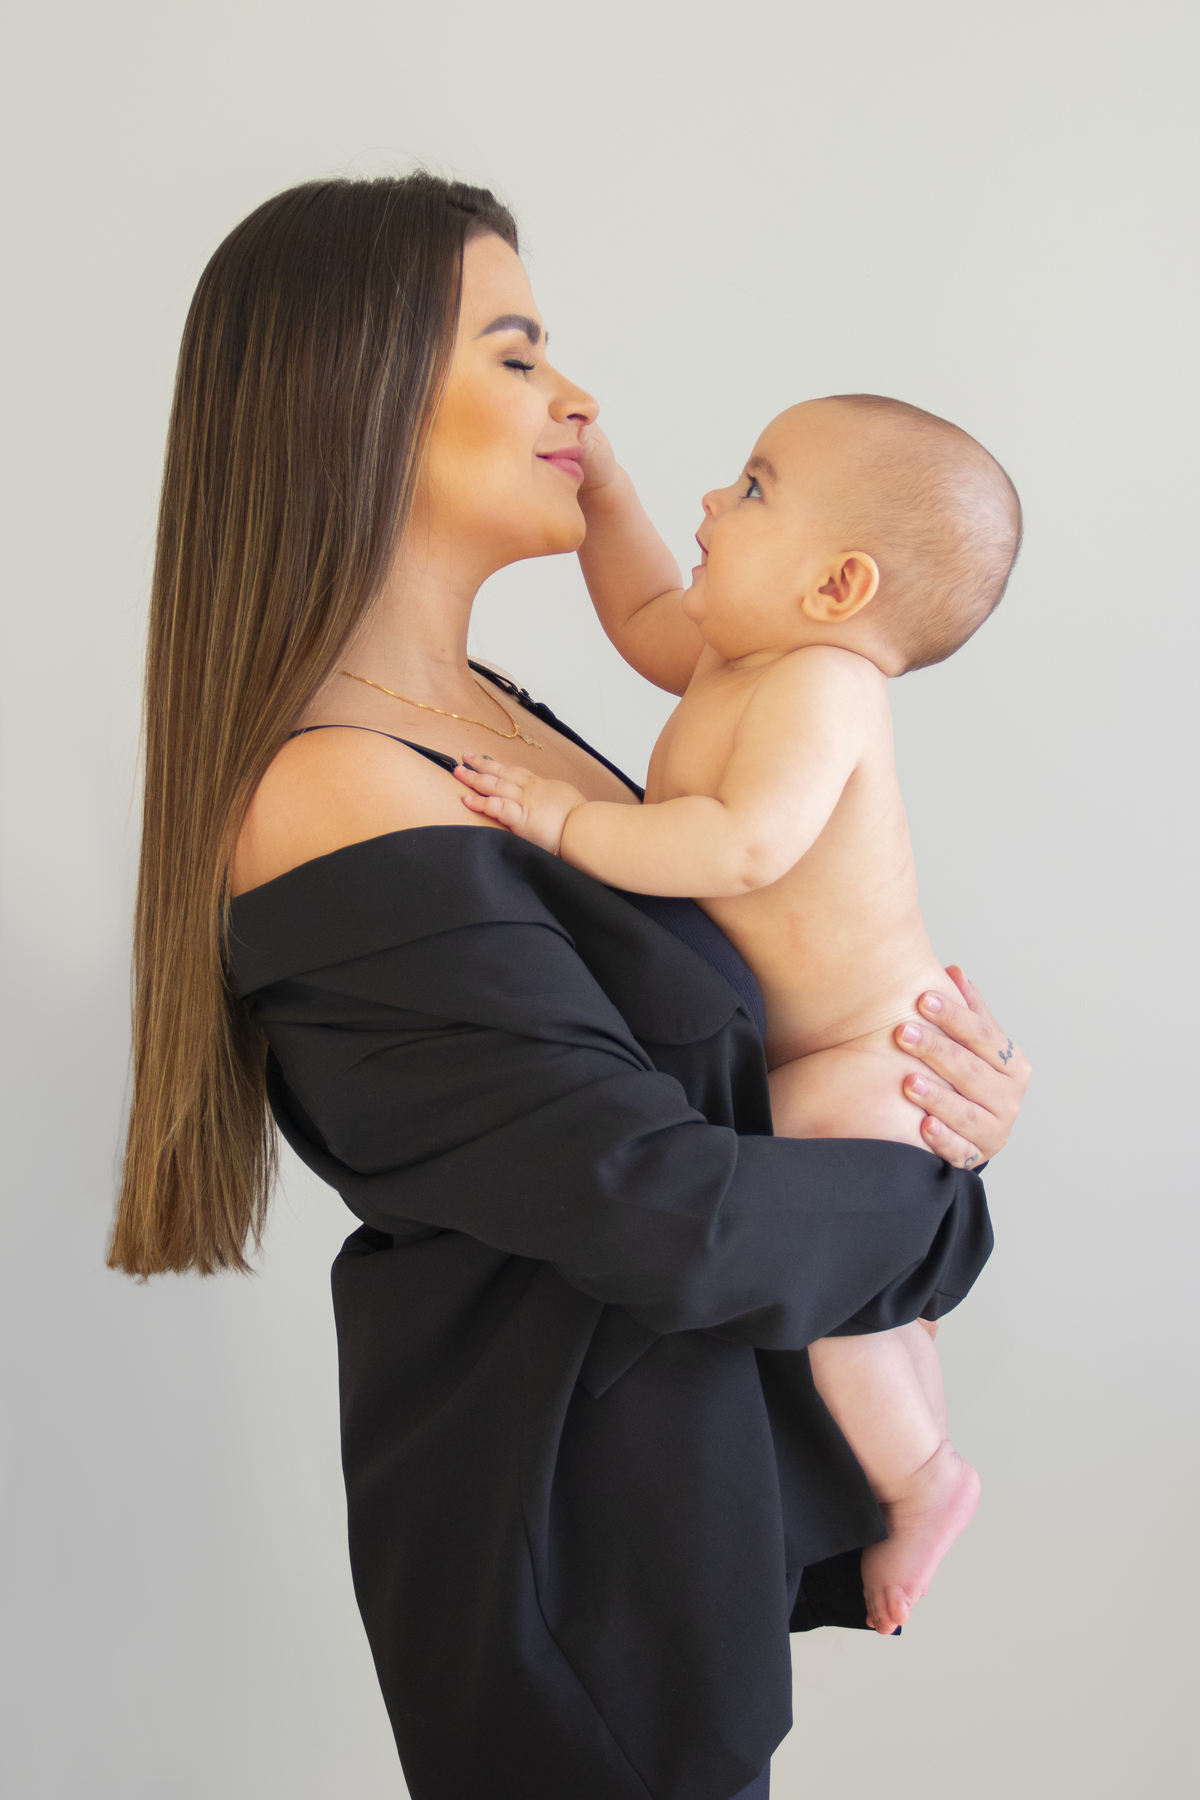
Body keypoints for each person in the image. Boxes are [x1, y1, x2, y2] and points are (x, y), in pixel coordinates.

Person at [109, 174, 1029, 1800]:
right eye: (520, 353)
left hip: (670, 1549)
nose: (580, 401)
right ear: (357, 393)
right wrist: (936, 1201)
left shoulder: (490, 725)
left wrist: (934, 1090)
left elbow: (714, 1070)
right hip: (574, 1588)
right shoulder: (338, 790)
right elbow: (661, 1203)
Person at [454, 395, 1022, 1636]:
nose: (715, 499)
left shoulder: (823, 687)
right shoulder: (739, 655)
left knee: (805, 1256)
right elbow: (643, 613)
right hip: (830, 1051)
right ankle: (915, 1421)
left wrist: (563, 823)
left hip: (874, 1048)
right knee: (839, 1283)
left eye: (755, 487)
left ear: (838, 585)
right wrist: (605, 489)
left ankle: (921, 1479)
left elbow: (743, 845)